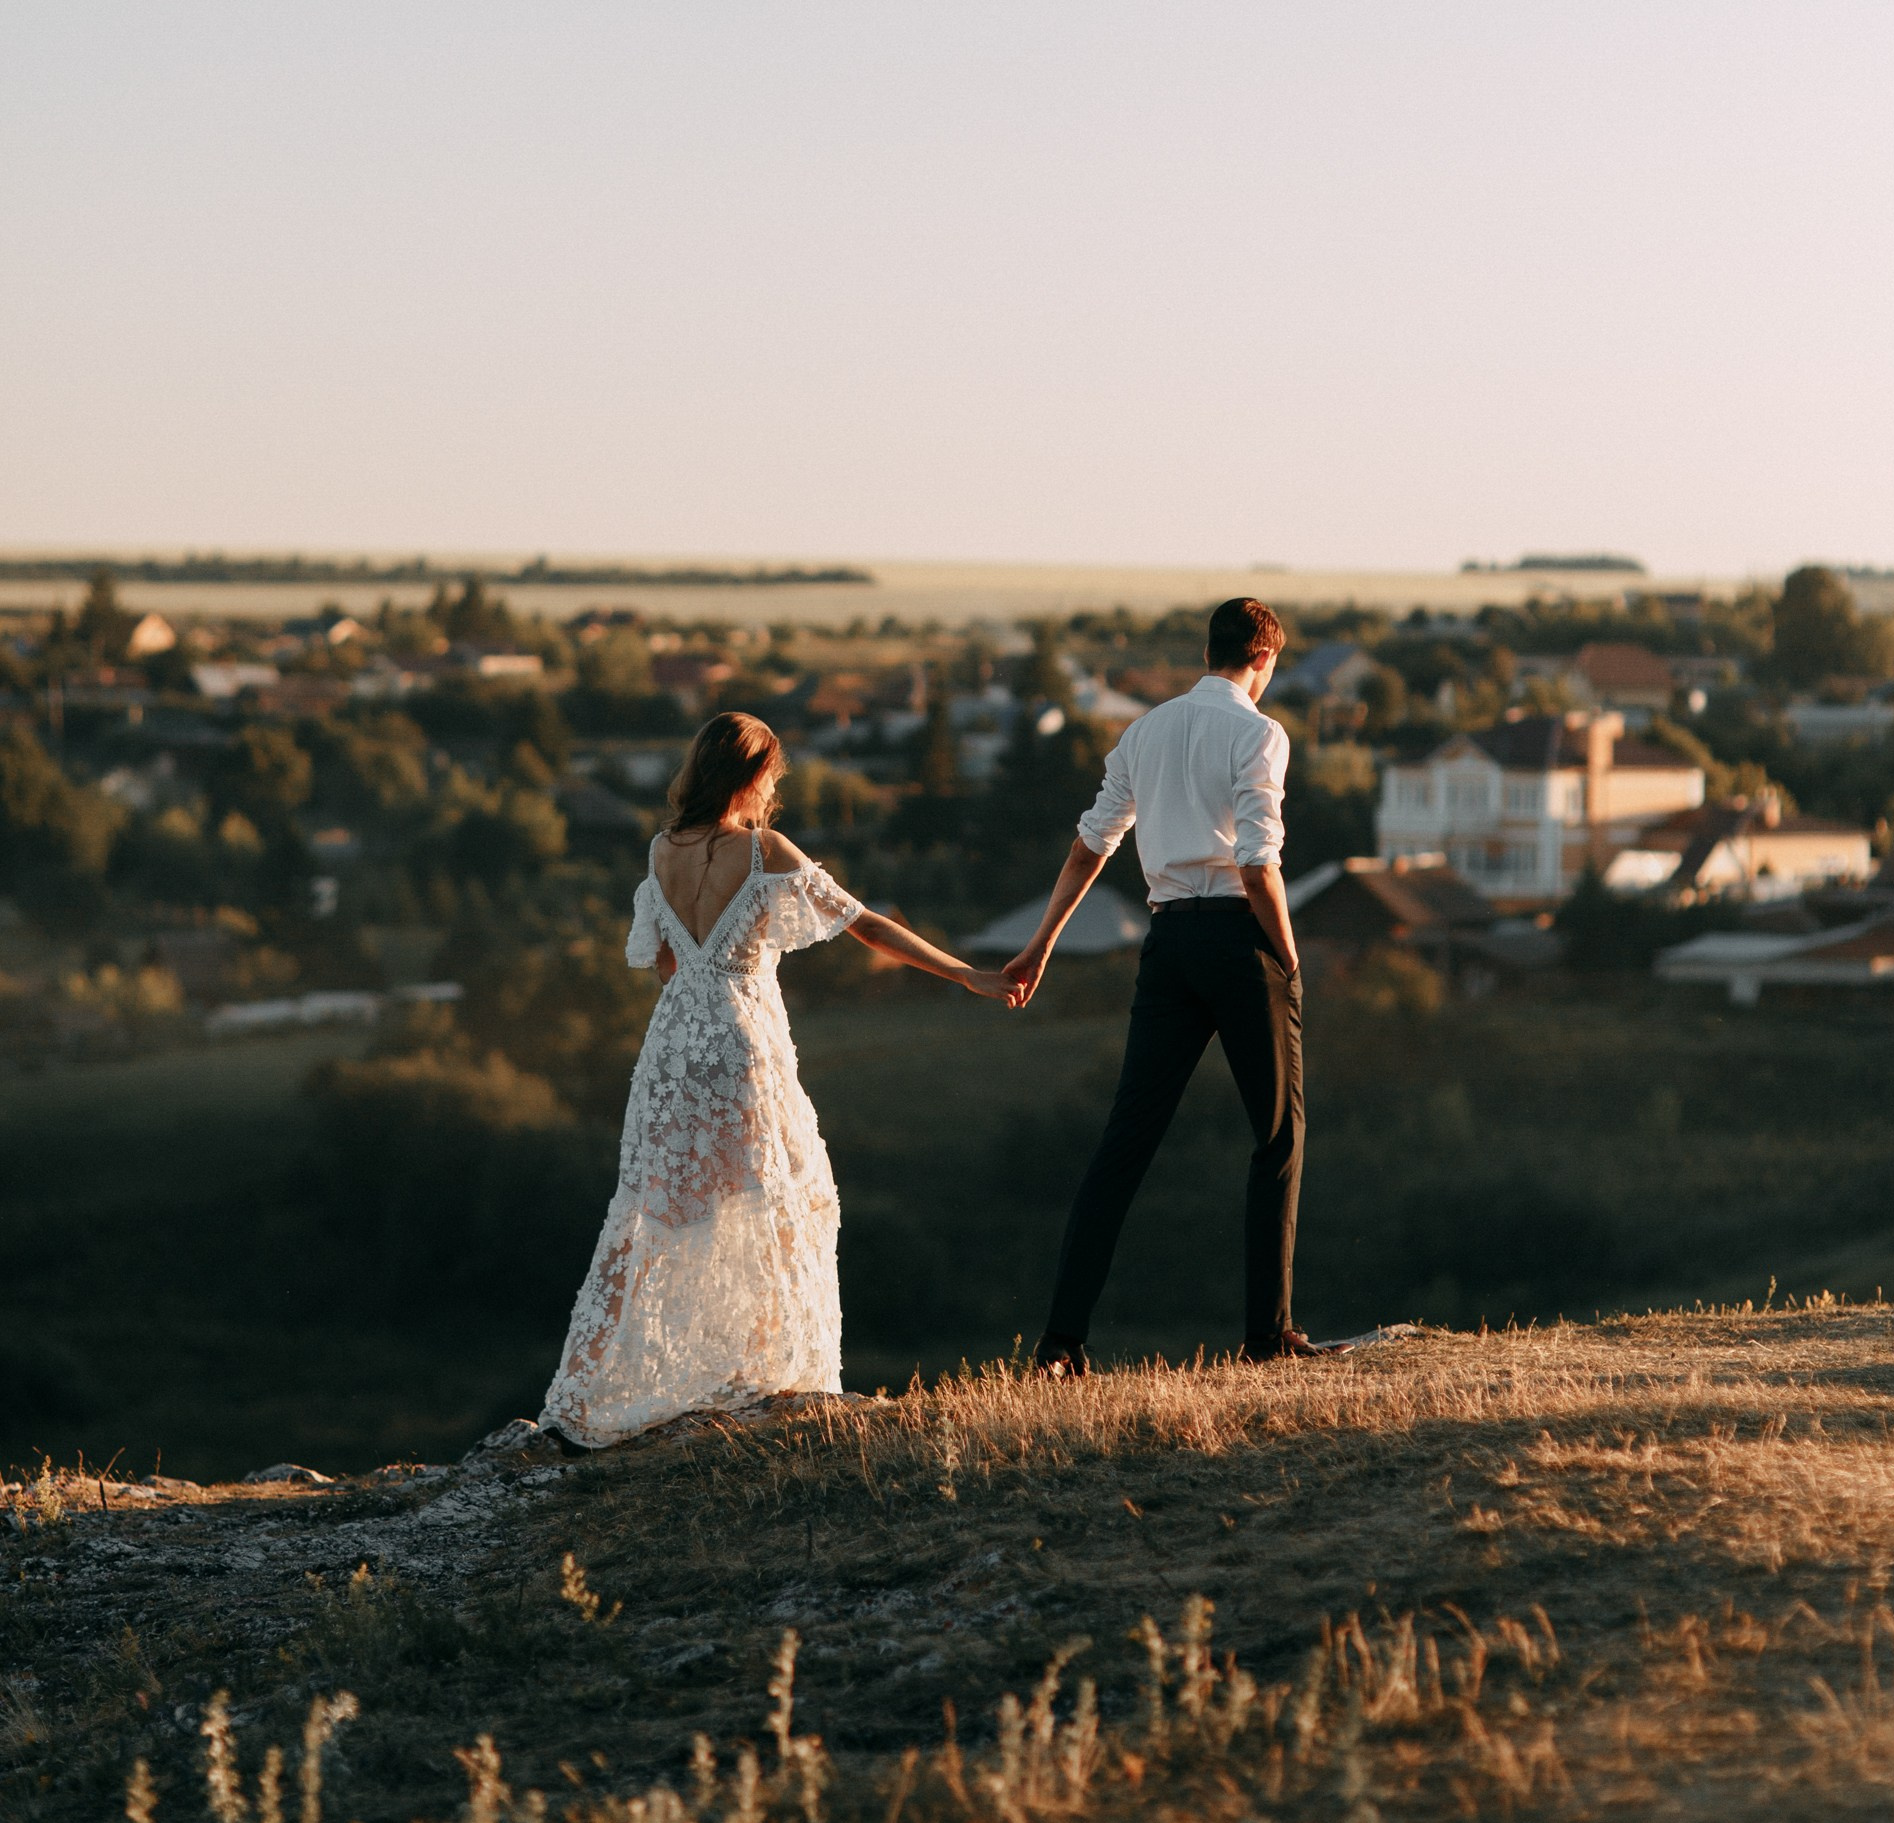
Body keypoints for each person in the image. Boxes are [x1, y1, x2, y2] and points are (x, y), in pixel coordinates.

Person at [542, 711, 1020, 1446]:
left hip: (672, 1046)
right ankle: (769, 1380)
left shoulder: (661, 848)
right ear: (753, 776)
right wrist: (965, 974)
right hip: (741, 1041)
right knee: (772, 1197)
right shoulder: (764, 851)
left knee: (659, 1208)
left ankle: (588, 1397)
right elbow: (863, 924)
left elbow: (666, 963)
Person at [1003, 595, 1329, 1374]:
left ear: (1208, 650)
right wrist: (1287, 954)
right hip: (1239, 941)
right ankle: (1266, 1335)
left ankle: (1061, 1343)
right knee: (1278, 1136)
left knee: (1126, 1142)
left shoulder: (1142, 732)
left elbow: (1092, 846)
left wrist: (1040, 943)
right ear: (1264, 659)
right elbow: (1258, 861)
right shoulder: (1260, 733)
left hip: (1168, 941)